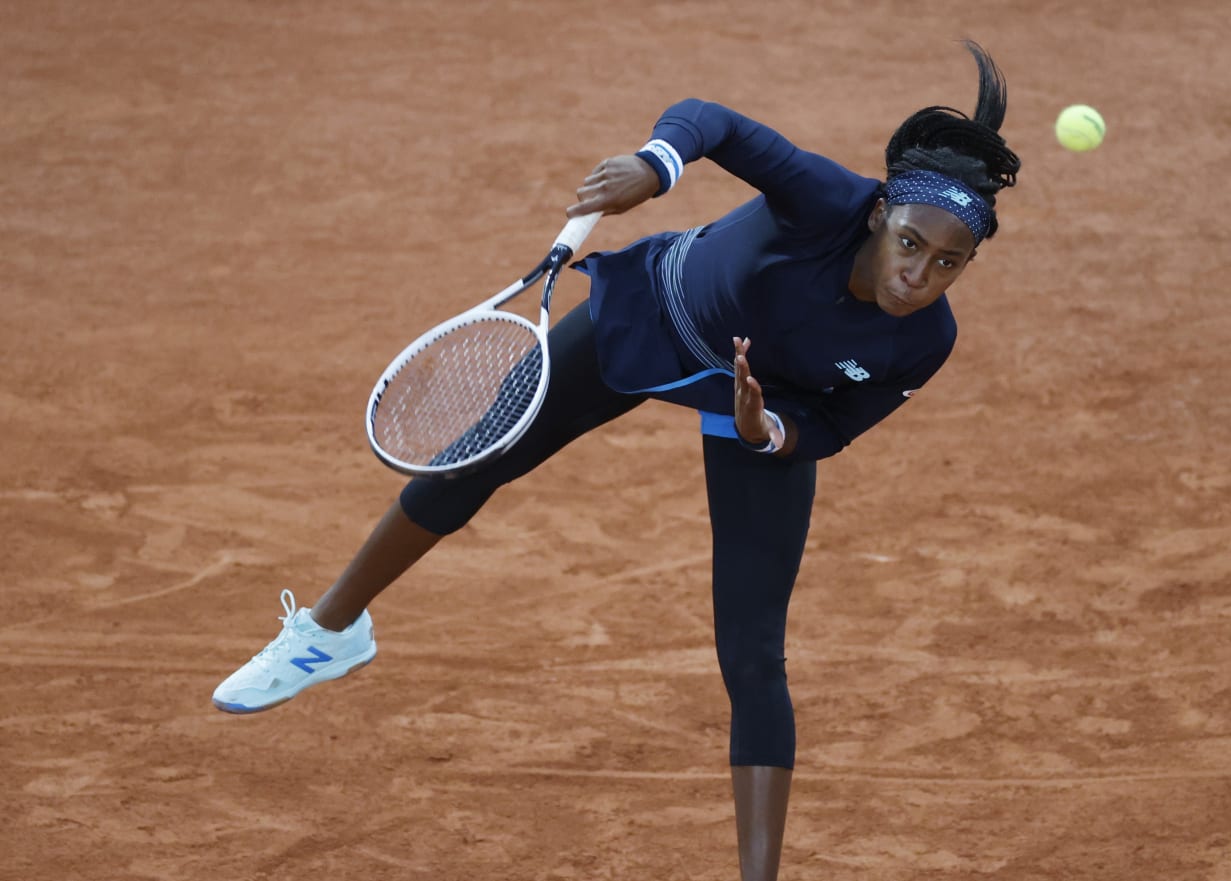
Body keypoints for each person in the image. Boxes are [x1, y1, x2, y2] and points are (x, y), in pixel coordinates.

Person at [212, 40, 1020, 881]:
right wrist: (656, 164)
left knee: (753, 652)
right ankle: (330, 631)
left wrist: (767, 431)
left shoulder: (927, 340)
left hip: (753, 397)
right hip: (651, 317)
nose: (917, 275)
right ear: (881, 215)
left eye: (947, 264)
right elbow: (716, 122)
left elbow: (840, 422)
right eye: (910, 244)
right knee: (471, 462)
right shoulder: (825, 199)